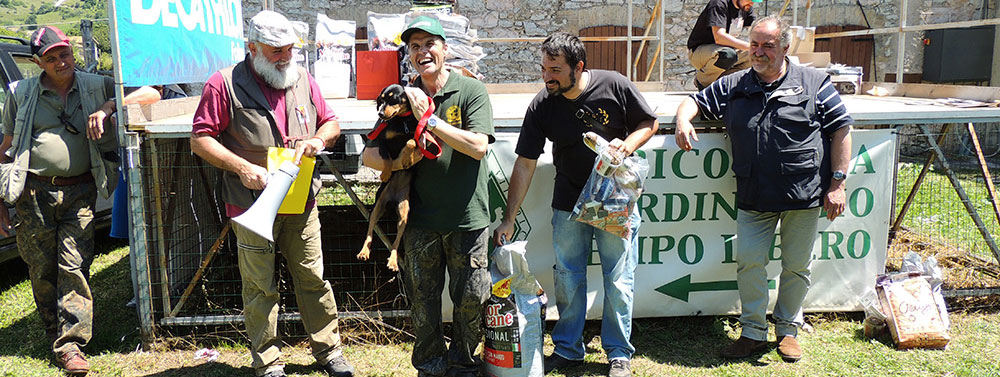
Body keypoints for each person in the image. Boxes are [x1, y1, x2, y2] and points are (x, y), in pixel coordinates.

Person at [674, 15, 853, 363]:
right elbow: (693, 101)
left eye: (767, 46)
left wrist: (838, 183)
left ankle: (787, 330)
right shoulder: (735, 84)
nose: (758, 52)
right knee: (750, 264)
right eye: (754, 45)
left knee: (796, 267)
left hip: (804, 194)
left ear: (785, 47)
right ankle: (753, 332)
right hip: (754, 195)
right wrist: (683, 119)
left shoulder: (814, 82)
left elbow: (842, 129)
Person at [189, 10, 354, 377]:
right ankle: (268, 361)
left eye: (289, 49)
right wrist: (243, 168)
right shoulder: (224, 83)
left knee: (313, 278)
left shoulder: (303, 79)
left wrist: (318, 139)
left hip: (301, 201)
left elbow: (331, 122)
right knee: (260, 287)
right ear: (252, 47)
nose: (285, 56)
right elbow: (200, 139)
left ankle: (329, 352)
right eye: (275, 50)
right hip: (250, 203)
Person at [492, 31, 658, 377]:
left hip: (615, 201)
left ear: (578, 67)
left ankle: (618, 354)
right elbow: (525, 161)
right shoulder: (543, 104)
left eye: (554, 69)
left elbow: (649, 122)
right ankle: (568, 350)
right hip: (568, 202)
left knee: (618, 278)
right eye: (543, 68)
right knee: (567, 278)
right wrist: (509, 218)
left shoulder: (614, 84)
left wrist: (625, 146)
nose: (546, 76)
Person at [0, 25, 154, 376]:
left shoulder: (96, 84)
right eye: (51, 57)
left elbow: (151, 92)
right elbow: (6, 149)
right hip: (32, 193)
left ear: (72, 52)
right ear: (39, 62)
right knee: (42, 271)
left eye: (65, 53)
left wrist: (109, 107)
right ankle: (55, 330)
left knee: (73, 267)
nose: (61, 61)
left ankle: (71, 344)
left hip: (80, 192)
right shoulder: (21, 93)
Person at [360, 15, 495, 377]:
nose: (423, 52)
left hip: (467, 219)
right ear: (408, 55)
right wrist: (396, 158)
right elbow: (367, 155)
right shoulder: (400, 95)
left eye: (429, 44)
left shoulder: (470, 92)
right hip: (420, 220)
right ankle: (431, 367)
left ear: (445, 49)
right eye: (414, 47)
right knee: (423, 302)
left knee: (471, 300)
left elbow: (479, 147)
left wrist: (429, 119)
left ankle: (465, 364)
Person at [686, 0, 759, 89]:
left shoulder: (745, 7)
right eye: (750, 0)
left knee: (757, 55)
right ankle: (702, 81)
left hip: (728, 49)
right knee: (727, 55)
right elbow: (719, 37)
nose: (752, 3)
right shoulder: (719, 4)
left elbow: (756, 29)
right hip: (700, 52)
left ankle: (724, 81)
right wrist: (751, 47)